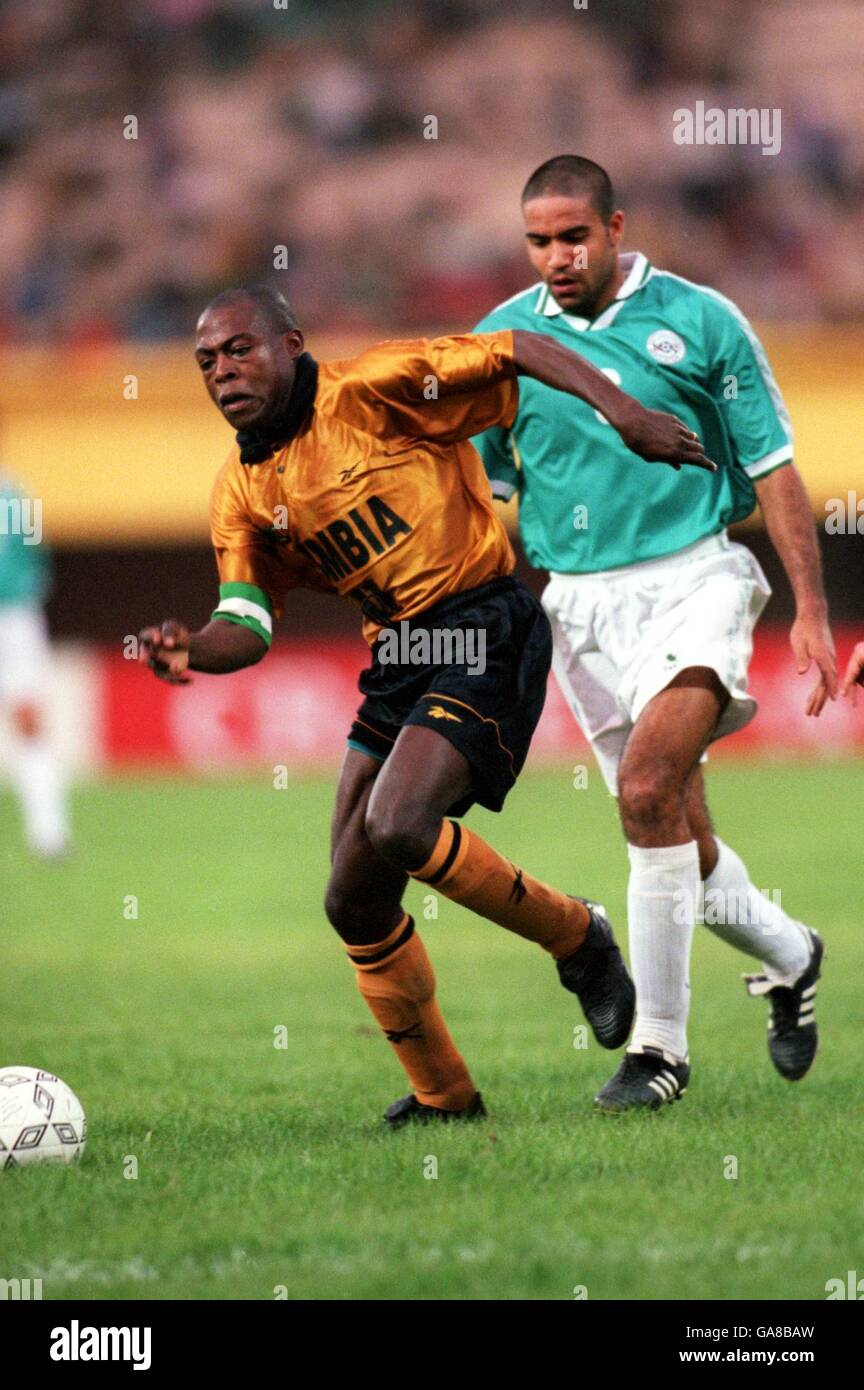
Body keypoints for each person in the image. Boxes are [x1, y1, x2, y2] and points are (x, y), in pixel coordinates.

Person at [137, 283, 712, 1127]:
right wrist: (191, 645)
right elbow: (246, 622)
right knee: (351, 898)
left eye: (239, 349)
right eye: (206, 361)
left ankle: (577, 938)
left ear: (292, 343)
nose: (222, 371)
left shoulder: (377, 388)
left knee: (400, 824)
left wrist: (624, 413)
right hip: (400, 653)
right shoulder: (241, 492)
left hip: (482, 621)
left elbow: (518, 348)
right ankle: (448, 1098)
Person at [472, 156, 837, 1112]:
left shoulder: (704, 319)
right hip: (578, 606)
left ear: (616, 226)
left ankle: (659, 1052)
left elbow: (776, 469)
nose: (557, 256)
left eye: (574, 236)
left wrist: (811, 608)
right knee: (684, 838)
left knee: (643, 793)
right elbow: (481, 496)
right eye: (539, 241)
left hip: (695, 580)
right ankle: (794, 957)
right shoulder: (503, 343)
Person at [0, 471, 70, 859]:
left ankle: (49, 833)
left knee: (28, 722)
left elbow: (35, 560)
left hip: (13, 619)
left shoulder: (13, 497)